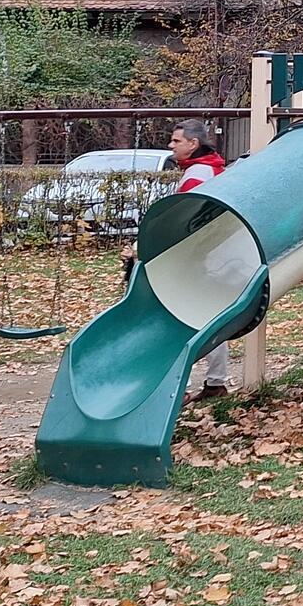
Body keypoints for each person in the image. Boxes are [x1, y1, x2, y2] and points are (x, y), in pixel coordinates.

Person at [124, 120, 232, 398]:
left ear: (193, 144)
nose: (171, 146)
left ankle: (176, 385)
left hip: (195, 258)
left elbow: (182, 218)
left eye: (176, 141)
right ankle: (216, 381)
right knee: (212, 317)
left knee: (179, 318)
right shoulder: (214, 168)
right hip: (214, 253)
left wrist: (144, 249)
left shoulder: (197, 173)